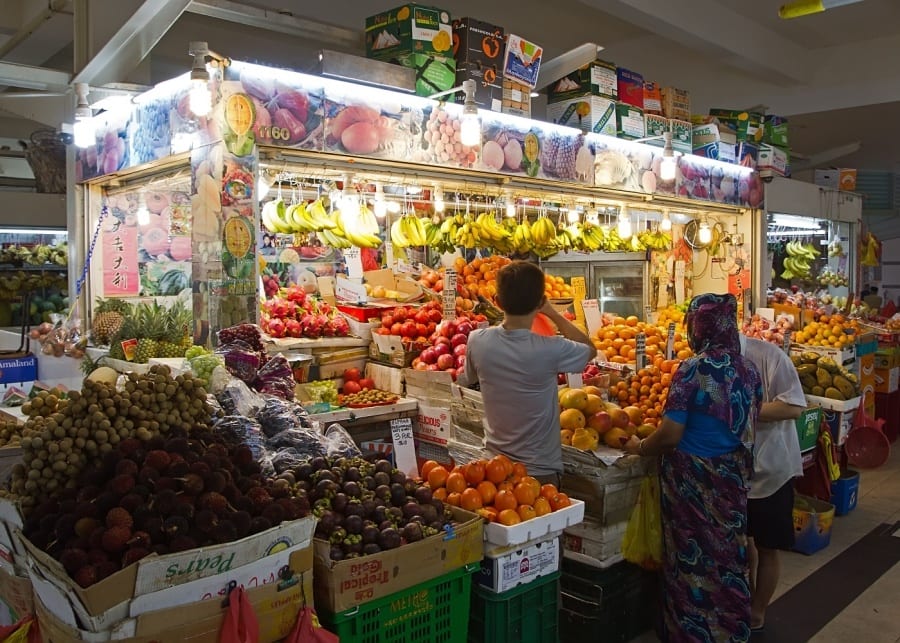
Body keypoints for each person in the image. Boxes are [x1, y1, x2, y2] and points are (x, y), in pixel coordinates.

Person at [623, 293, 762, 642]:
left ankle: (693, 633)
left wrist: (640, 447)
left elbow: (670, 434)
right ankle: (730, 629)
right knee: (728, 554)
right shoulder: (748, 369)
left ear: (698, 327)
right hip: (731, 478)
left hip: (692, 483)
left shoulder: (692, 370)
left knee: (691, 561)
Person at [458, 260, 595, 484]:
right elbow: (590, 350)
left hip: (494, 468)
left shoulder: (477, 341)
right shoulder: (550, 348)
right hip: (539, 471)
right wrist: (552, 313)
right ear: (541, 301)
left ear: (498, 302)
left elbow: (469, 378)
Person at [740, 335, 805, 634]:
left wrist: (742, 410)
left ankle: (758, 610)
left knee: (767, 546)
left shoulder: (769, 356)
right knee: (743, 541)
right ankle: (744, 597)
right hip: (734, 470)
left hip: (772, 468)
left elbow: (793, 406)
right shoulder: (707, 360)